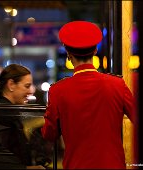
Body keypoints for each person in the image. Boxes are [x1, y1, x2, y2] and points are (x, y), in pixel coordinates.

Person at [41, 21, 135, 169]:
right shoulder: (117, 85)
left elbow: (49, 134)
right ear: (95, 50)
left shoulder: (57, 90)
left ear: (68, 53)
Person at [0, 64, 45, 169]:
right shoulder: (2, 115)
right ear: (11, 85)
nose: (30, 91)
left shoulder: (6, 112)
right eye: (27, 86)